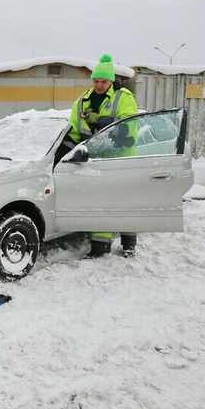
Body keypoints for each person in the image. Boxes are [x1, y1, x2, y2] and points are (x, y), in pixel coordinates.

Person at [66, 54, 139, 258]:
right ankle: (100, 246)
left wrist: (117, 131)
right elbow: (74, 129)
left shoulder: (123, 97)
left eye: (103, 81)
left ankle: (129, 243)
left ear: (111, 81)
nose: (99, 85)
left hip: (121, 158)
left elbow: (130, 123)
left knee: (124, 203)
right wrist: (70, 147)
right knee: (100, 201)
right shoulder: (82, 101)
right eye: (96, 81)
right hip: (96, 159)